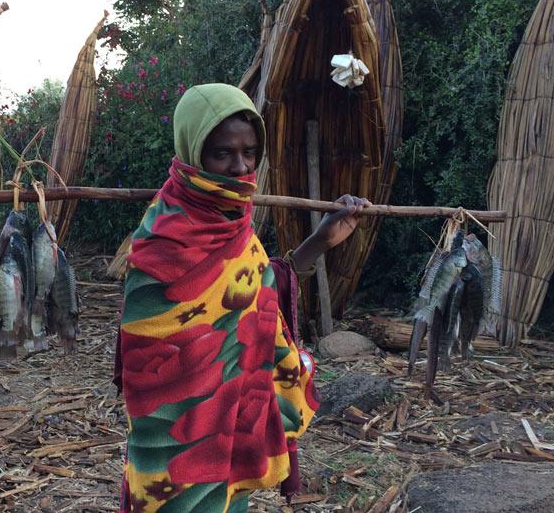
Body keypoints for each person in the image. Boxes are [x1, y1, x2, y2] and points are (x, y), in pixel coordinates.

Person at [114, 83, 369, 512]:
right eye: (222, 153)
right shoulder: (165, 237)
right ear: (192, 151)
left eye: (249, 152)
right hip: (175, 443)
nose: (240, 166)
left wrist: (322, 240)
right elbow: (147, 351)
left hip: (233, 424)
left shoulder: (233, 220)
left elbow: (257, 287)